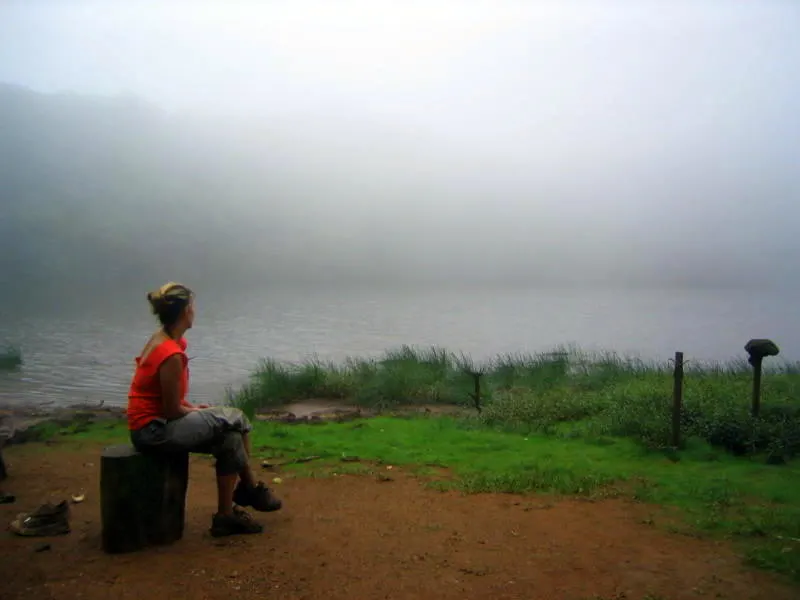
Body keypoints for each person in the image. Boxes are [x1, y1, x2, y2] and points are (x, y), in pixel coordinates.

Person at [127, 282, 281, 537]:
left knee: (230, 439)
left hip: (156, 423)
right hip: (152, 431)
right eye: (193, 306)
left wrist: (193, 408)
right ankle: (249, 488)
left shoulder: (165, 341)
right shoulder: (170, 355)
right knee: (236, 418)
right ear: (186, 311)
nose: (195, 311)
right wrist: (198, 414)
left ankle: (225, 516)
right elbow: (170, 411)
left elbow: (163, 398)